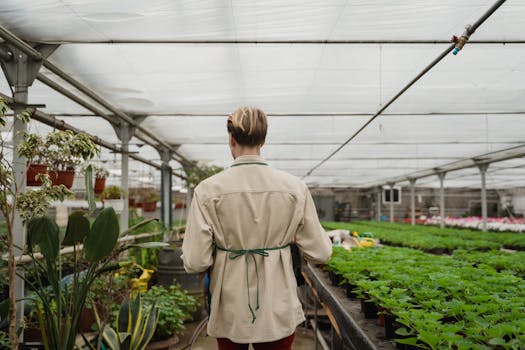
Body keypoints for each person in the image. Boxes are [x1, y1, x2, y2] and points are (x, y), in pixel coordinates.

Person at [181, 106, 332, 350]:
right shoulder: (295, 188)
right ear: (263, 140)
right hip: (278, 302)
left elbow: (196, 261)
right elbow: (321, 253)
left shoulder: (207, 190)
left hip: (230, 303)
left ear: (231, 139)